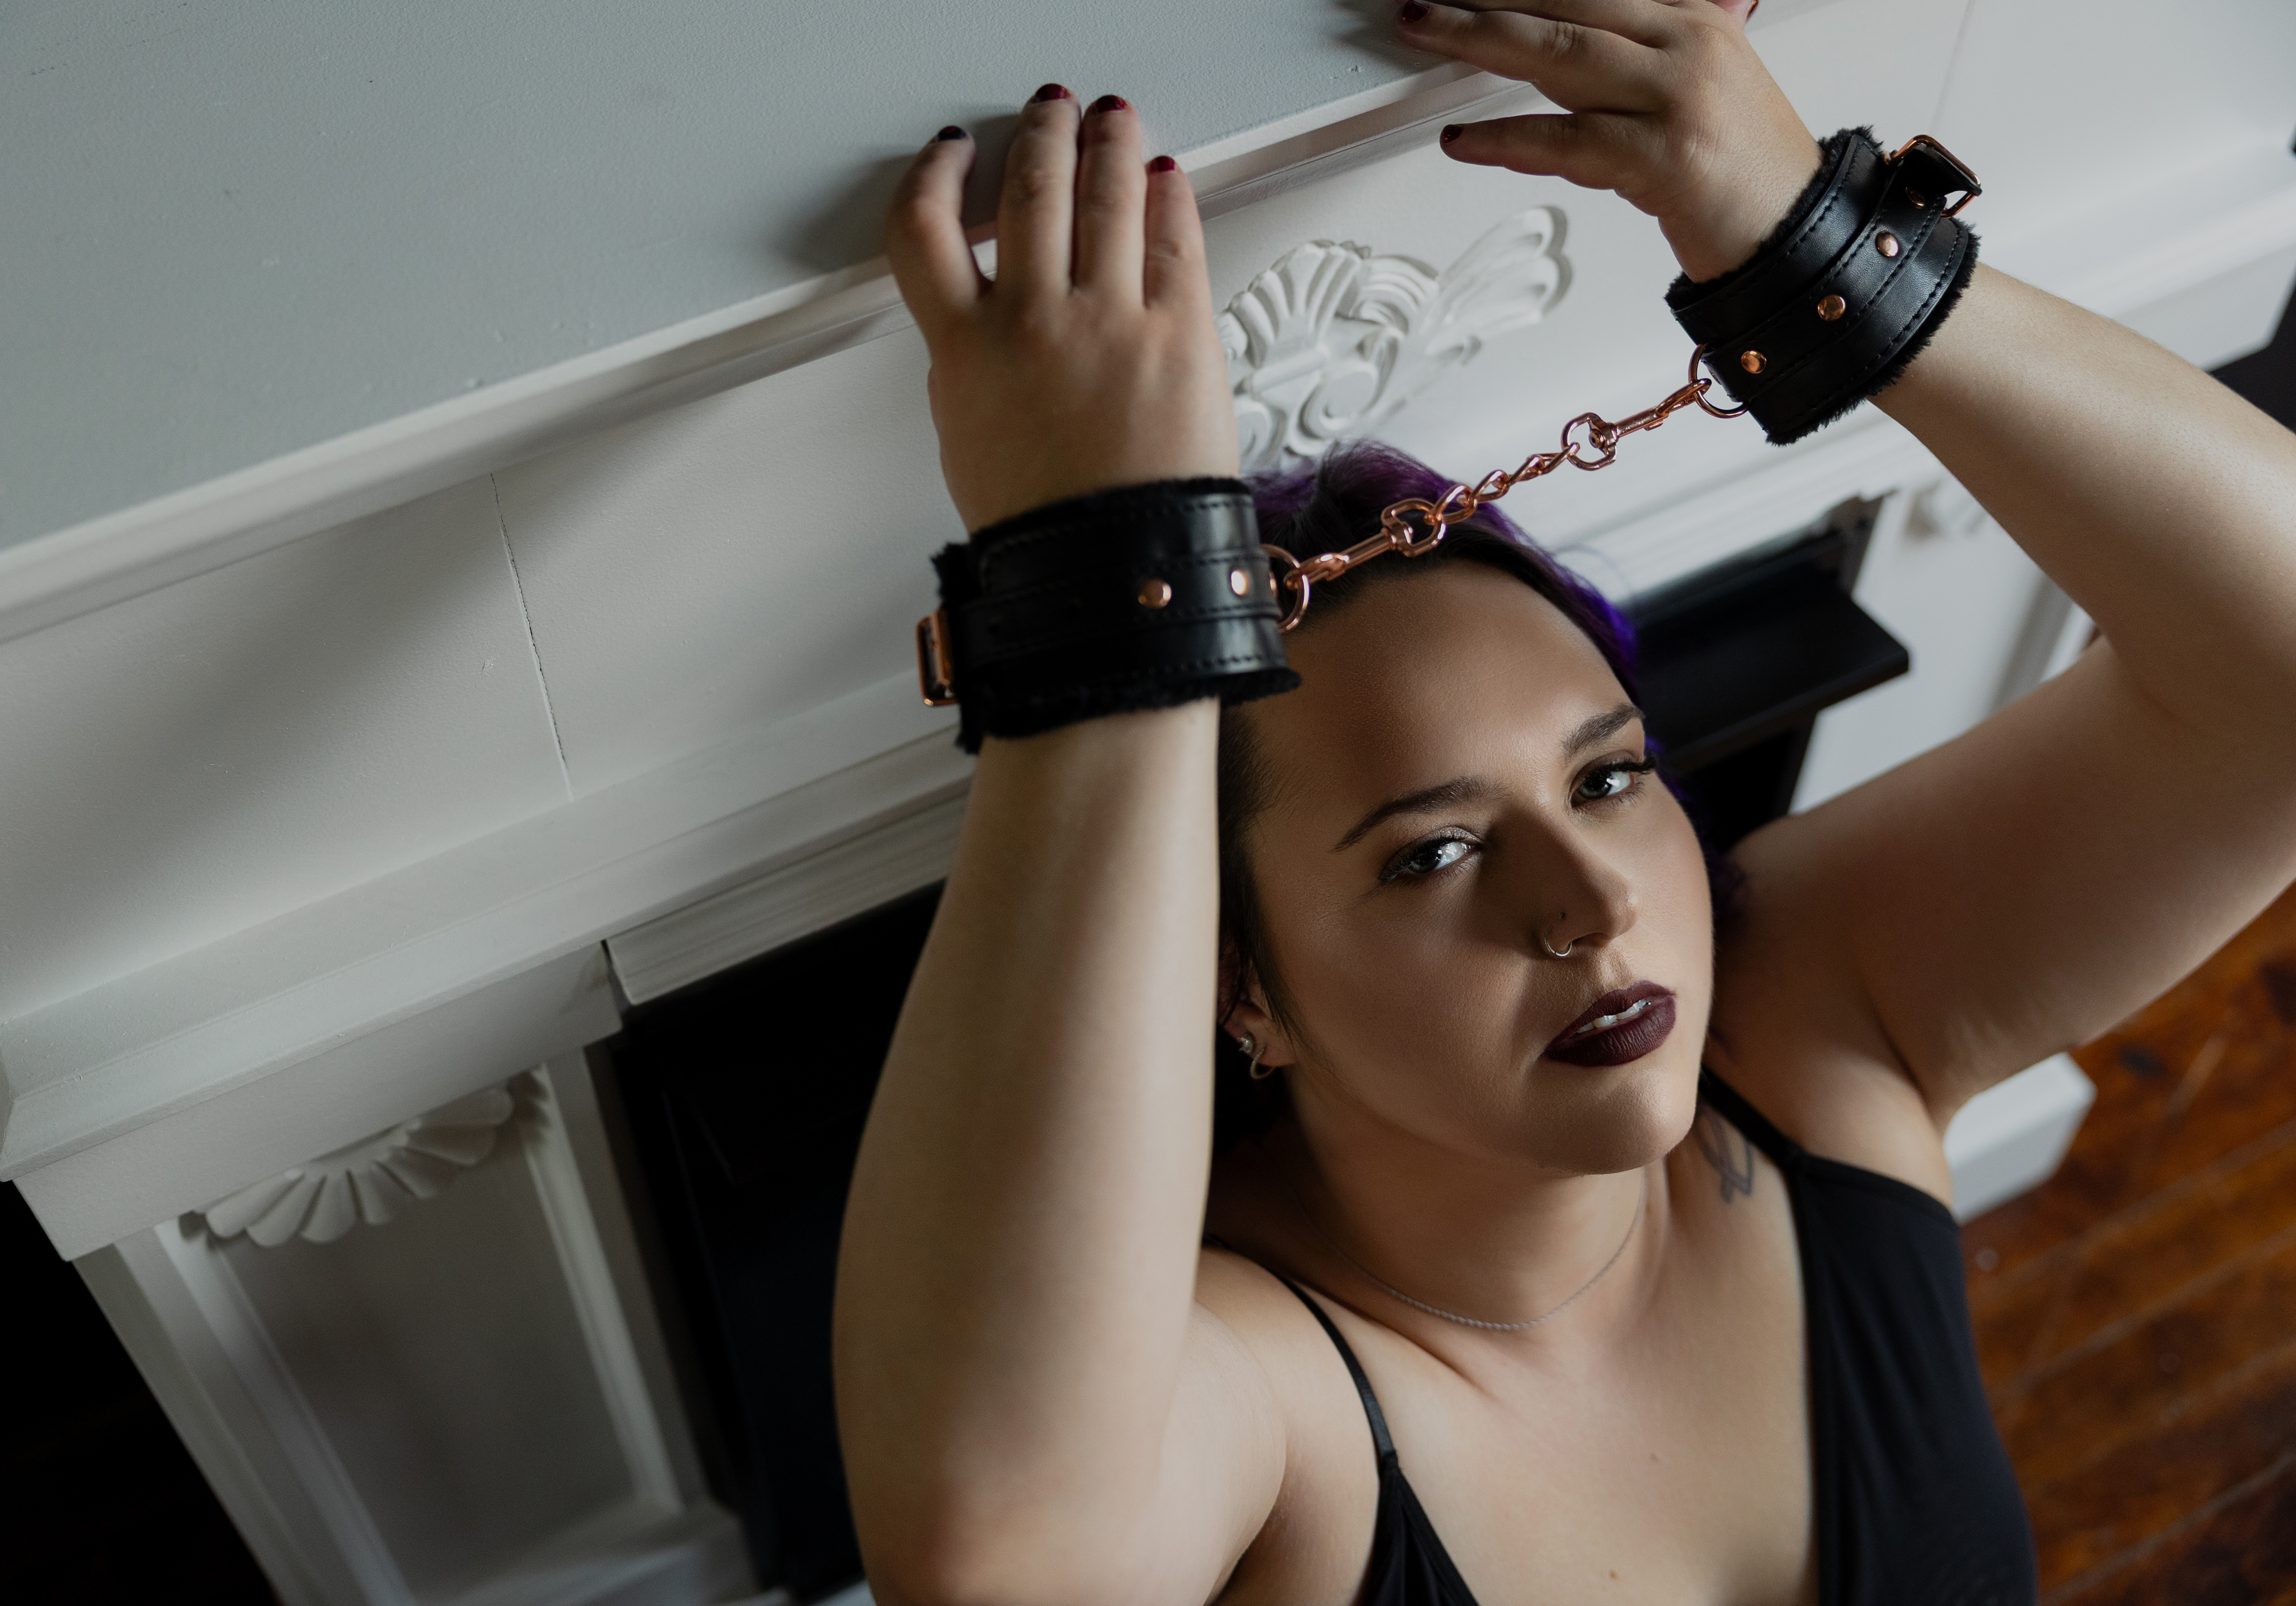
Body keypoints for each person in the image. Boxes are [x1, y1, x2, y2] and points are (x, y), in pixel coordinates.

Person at [832, 3, 2296, 1602]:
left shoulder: (1811, 1029)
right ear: (1243, 990)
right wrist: (1101, 577)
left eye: (1608, 776)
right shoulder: (1274, 1402)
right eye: (1432, 851)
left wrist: (1815, 249)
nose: (1594, 900)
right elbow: (995, 1558)